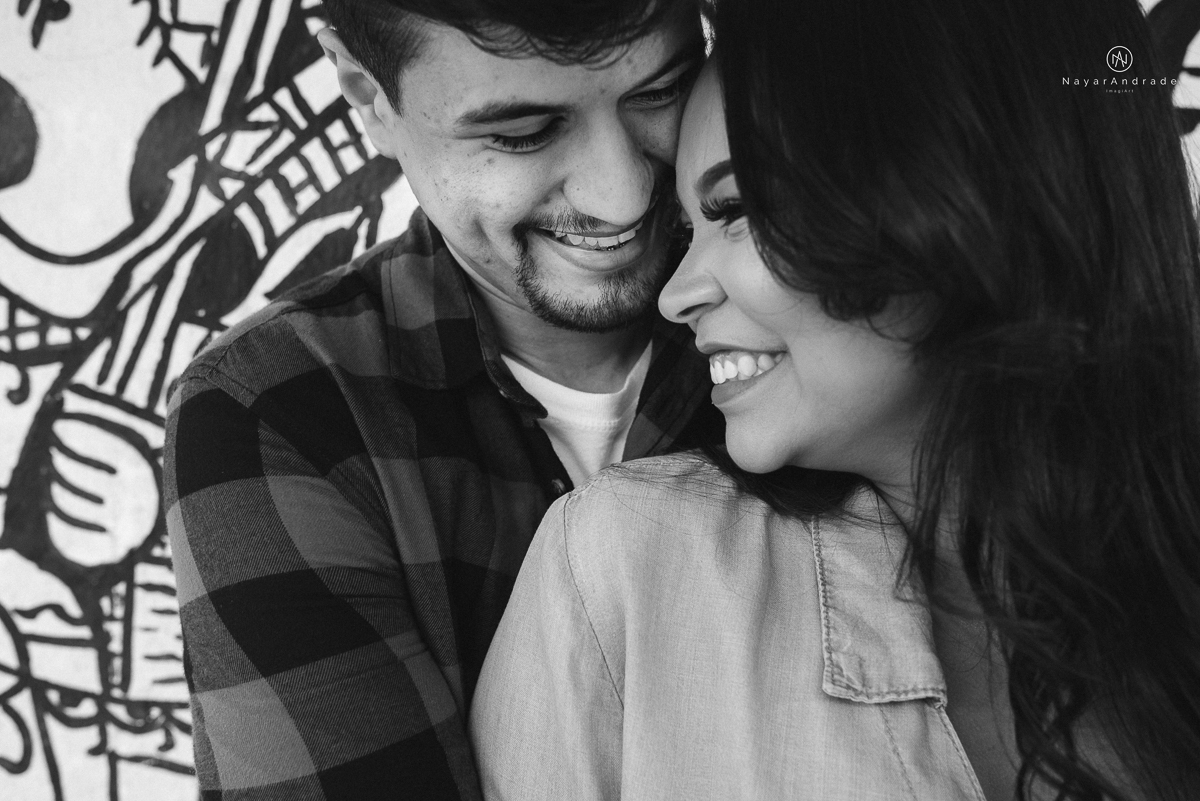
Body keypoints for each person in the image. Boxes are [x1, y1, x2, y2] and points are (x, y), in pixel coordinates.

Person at [468, 0, 1200, 798]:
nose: (675, 295)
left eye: (736, 210)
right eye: (689, 226)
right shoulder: (623, 569)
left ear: (961, 183)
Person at [163, 0, 719, 796]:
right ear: (365, 92)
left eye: (662, 92)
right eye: (522, 133)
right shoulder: (276, 408)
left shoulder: (856, 316)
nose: (624, 193)